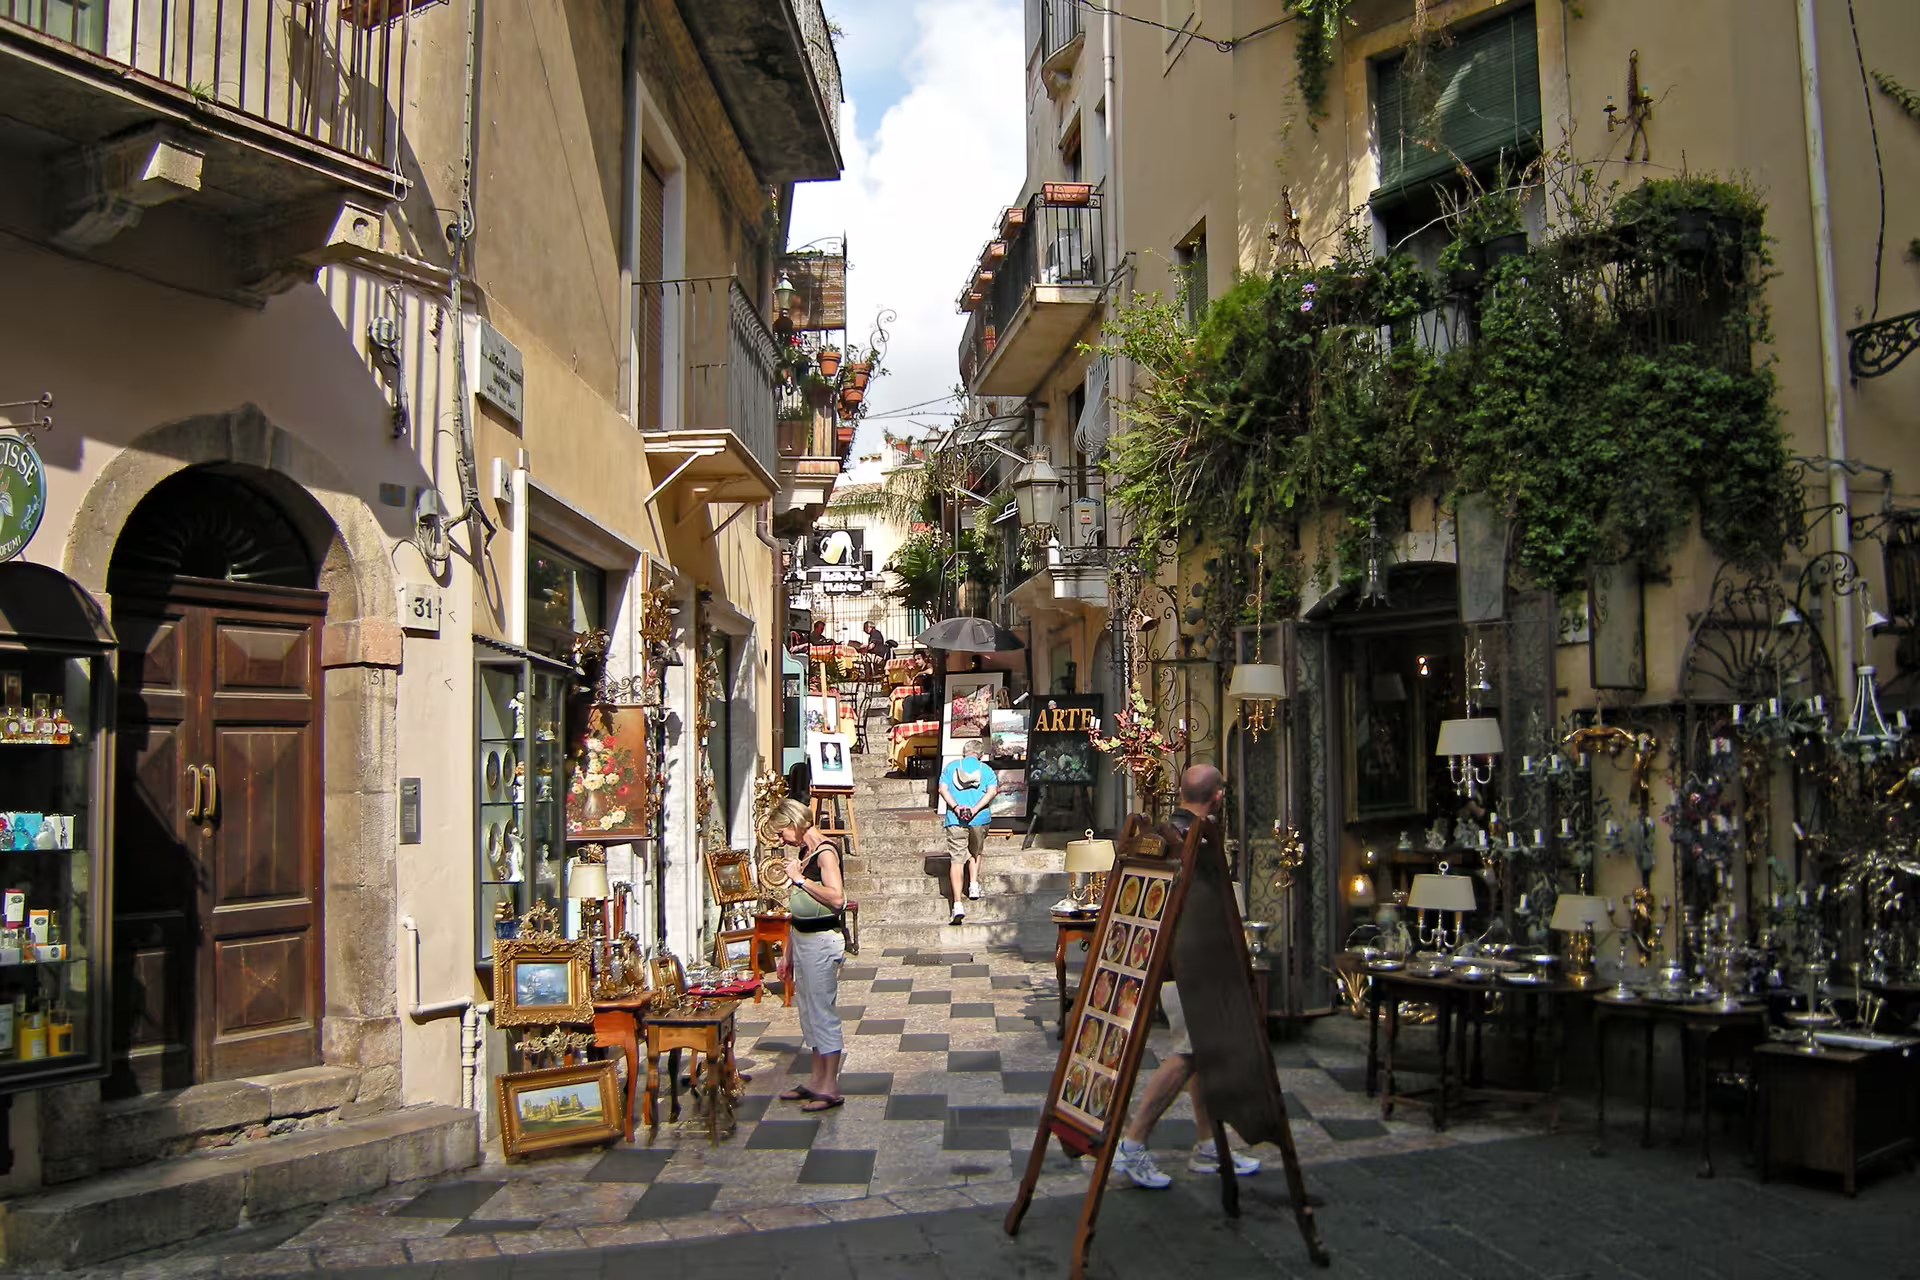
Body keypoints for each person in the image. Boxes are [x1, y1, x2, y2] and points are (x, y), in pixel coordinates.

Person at [1113, 764, 1263, 1188]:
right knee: (1186, 1057)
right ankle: (1134, 1143)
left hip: (1170, 964)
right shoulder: (1197, 838)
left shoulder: (1161, 833)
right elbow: (1209, 906)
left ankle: (1208, 1145)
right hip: (1192, 966)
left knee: (1198, 1056)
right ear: (1217, 796)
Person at [770, 799, 847, 1112]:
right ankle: (816, 1080)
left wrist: (801, 879)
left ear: (794, 824)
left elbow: (838, 898)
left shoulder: (825, 852)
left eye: (781, 832)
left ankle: (829, 1086)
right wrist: (787, 952)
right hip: (803, 938)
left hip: (822, 941)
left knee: (821, 1011)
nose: (780, 840)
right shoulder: (804, 853)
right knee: (807, 1012)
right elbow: (796, 910)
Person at [939, 740, 998, 924]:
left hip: (955, 819)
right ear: (980, 754)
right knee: (975, 851)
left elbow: (942, 789)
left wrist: (956, 807)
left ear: (964, 752)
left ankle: (957, 904)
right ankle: (973, 885)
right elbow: (992, 792)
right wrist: (975, 809)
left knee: (956, 860)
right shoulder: (986, 770)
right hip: (979, 818)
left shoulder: (950, 767)